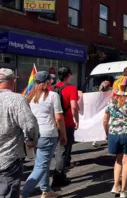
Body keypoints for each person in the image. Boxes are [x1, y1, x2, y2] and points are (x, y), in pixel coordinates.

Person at [22, 71, 67, 198]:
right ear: (47, 82)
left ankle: (46, 190)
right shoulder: (52, 95)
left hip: (34, 134)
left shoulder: (28, 96)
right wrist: (63, 134)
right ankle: (23, 194)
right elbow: (59, 118)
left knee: (42, 164)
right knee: (41, 167)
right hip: (48, 134)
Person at [0, 69, 39, 198]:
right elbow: (30, 125)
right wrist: (32, 141)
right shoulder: (16, 99)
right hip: (8, 158)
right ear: (11, 81)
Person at [51, 67, 79, 188]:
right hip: (66, 123)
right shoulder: (72, 89)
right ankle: (58, 178)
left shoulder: (52, 88)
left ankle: (60, 172)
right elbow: (74, 107)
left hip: (52, 123)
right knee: (63, 150)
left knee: (57, 150)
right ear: (68, 75)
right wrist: (76, 120)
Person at [93, 81, 111, 148]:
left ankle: (95, 140)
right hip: (106, 111)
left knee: (99, 126)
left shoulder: (98, 94)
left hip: (99, 112)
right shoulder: (109, 93)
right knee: (108, 125)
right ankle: (108, 139)